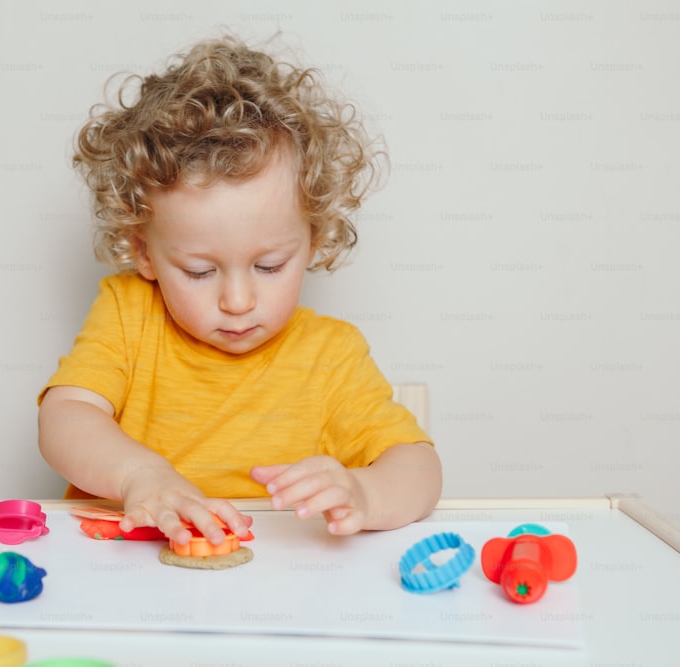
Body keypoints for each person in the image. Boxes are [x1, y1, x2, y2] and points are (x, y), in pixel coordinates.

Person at [37, 34, 441, 548]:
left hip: (272, 587)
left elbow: (421, 469)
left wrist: (364, 491)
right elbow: (64, 417)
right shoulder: (128, 312)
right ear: (144, 253)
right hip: (123, 579)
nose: (237, 301)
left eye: (269, 265)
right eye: (200, 272)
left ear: (312, 239)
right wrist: (139, 475)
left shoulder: (330, 356)